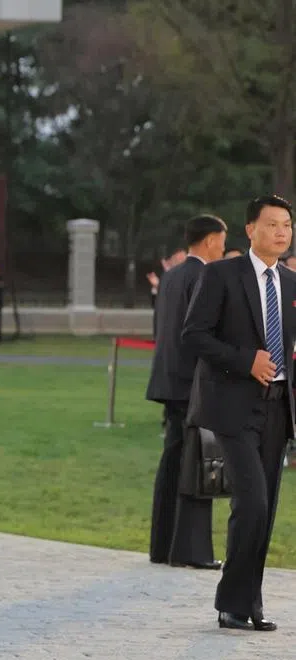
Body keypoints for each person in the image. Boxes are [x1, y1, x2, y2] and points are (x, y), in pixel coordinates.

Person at [182, 194, 296, 632]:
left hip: (277, 410)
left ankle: (250, 601)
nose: (281, 232)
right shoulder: (221, 275)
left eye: (287, 225)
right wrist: (245, 359)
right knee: (252, 502)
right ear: (251, 230)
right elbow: (194, 336)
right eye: (272, 224)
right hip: (232, 408)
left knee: (263, 511)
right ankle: (231, 601)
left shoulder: (290, 282)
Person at [145, 214, 227, 571]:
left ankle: (163, 546)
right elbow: (205, 335)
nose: (224, 249)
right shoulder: (205, 275)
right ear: (209, 240)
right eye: (222, 242)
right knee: (197, 463)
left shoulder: (172, 276)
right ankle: (191, 550)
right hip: (193, 383)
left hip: (168, 379)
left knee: (173, 459)